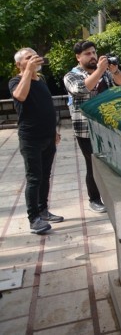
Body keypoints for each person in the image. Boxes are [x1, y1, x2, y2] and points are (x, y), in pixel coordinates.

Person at [64, 41, 121, 213]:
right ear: (78, 57)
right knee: (93, 164)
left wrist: (115, 71)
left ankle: (113, 195)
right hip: (86, 129)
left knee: (112, 162)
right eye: (87, 54)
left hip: (108, 126)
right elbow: (82, 88)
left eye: (94, 52)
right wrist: (100, 70)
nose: (92, 56)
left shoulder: (104, 73)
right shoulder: (72, 75)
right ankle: (94, 199)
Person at [10, 48, 62, 234]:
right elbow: (20, 96)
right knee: (34, 178)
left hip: (48, 137)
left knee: (46, 176)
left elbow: (47, 106)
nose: (33, 59)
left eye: (34, 55)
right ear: (19, 64)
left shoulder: (42, 80)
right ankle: (34, 219)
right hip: (31, 138)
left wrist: (54, 131)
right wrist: (28, 72)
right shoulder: (16, 81)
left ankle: (43, 210)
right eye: (28, 57)